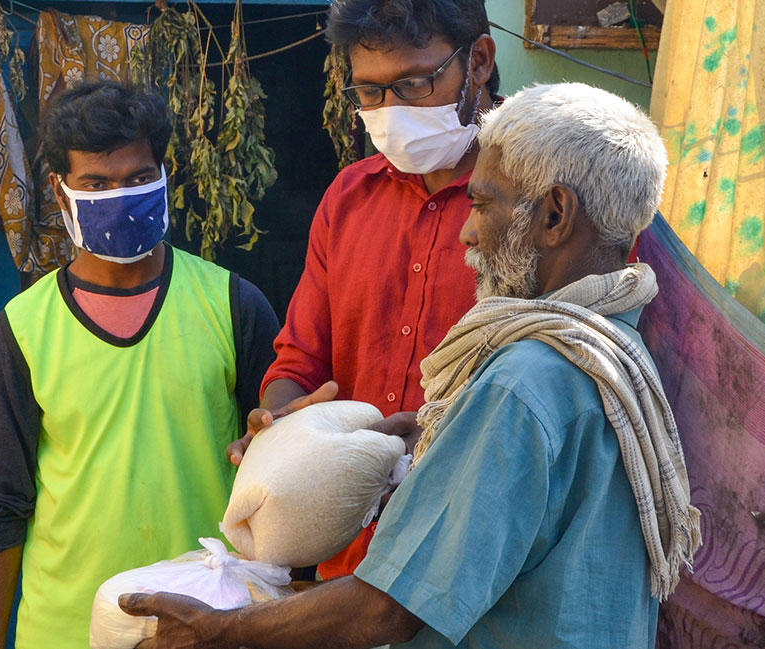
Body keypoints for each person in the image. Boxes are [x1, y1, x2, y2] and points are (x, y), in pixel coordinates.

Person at [124, 83, 702, 648]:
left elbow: (385, 609)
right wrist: (441, 444)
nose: (468, 231)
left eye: (482, 204)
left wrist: (218, 631)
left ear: (554, 216)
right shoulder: (610, 351)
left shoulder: (523, 382)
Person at [0, 80, 280, 649]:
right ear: (62, 196)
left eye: (138, 178)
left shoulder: (234, 304)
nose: (121, 194)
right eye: (97, 184)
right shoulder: (22, 328)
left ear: (164, 176)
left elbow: (280, 469)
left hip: (208, 620)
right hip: (65, 629)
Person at [228, 0, 502, 580]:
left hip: (476, 567)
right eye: (370, 93)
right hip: (345, 565)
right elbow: (299, 362)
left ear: (478, 62)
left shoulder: (542, 203)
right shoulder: (348, 199)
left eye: (412, 84)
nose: (390, 111)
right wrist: (276, 426)